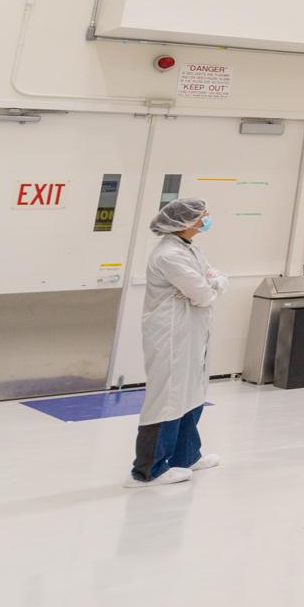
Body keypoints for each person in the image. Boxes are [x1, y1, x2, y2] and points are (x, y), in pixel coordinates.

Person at [131, 198, 227, 486]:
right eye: (202, 215)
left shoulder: (188, 249)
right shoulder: (168, 255)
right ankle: (150, 469)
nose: (207, 219)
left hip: (191, 332)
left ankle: (187, 456)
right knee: (167, 397)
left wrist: (213, 281)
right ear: (185, 222)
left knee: (192, 393)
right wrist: (215, 283)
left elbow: (211, 277)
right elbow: (204, 293)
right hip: (171, 335)